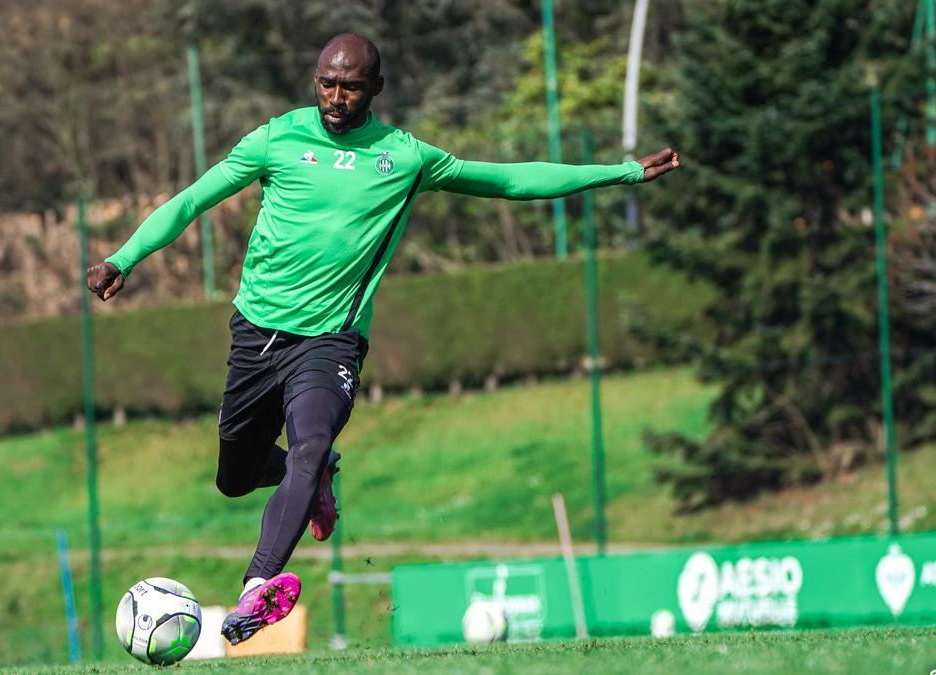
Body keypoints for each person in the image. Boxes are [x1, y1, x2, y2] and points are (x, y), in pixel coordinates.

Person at [86, 32, 679, 645]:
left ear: (376, 88)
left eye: (350, 86)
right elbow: (190, 201)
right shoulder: (277, 138)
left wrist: (623, 172)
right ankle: (310, 477)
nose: (336, 97)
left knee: (311, 441)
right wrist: (123, 259)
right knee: (235, 476)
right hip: (256, 334)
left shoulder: (406, 157)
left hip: (331, 343)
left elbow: (508, 179)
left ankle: (254, 589)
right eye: (326, 84)